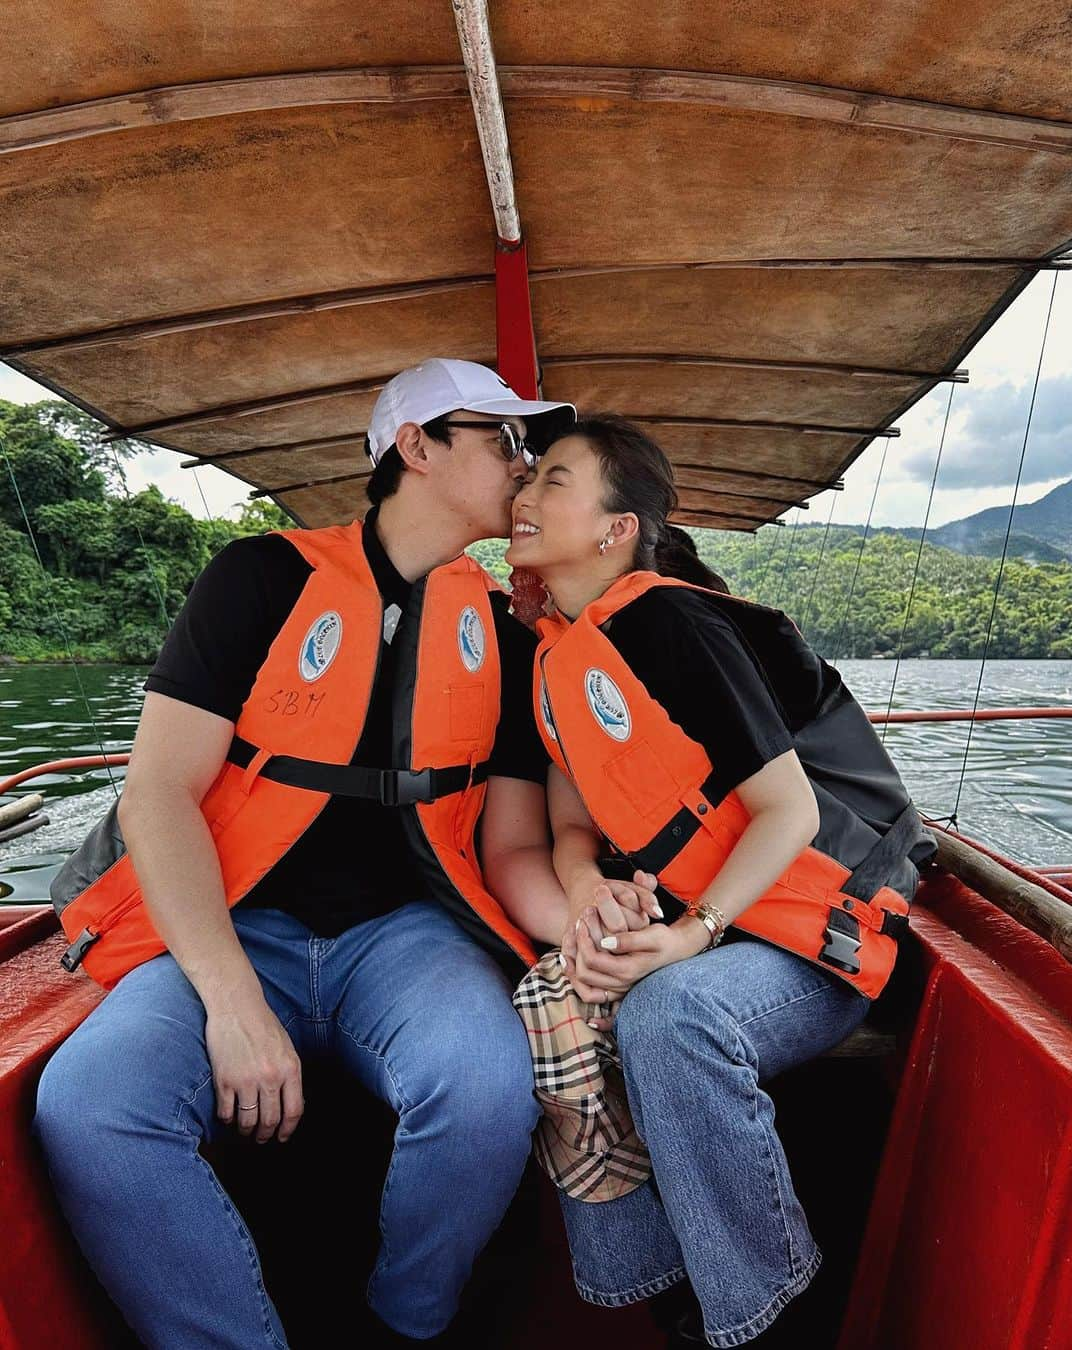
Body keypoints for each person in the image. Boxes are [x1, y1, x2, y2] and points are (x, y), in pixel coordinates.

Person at [34, 358, 582, 1348]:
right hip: (234, 928)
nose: (524, 461)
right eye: (503, 438)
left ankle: (401, 1326)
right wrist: (234, 1004)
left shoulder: (501, 632)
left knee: (488, 1087)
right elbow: (158, 796)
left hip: (409, 943)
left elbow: (510, 841)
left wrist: (587, 925)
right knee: (92, 1105)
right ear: (416, 446)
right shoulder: (261, 577)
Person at [505, 413, 936, 1347]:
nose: (525, 497)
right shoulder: (554, 662)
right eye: (527, 480)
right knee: (555, 996)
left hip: (820, 939)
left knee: (672, 1014)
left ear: (618, 529)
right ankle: (660, 1286)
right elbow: (569, 826)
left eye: (556, 482)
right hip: (722, 932)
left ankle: (764, 1316)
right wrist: (590, 900)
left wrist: (690, 933)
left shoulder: (669, 621)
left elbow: (792, 810)